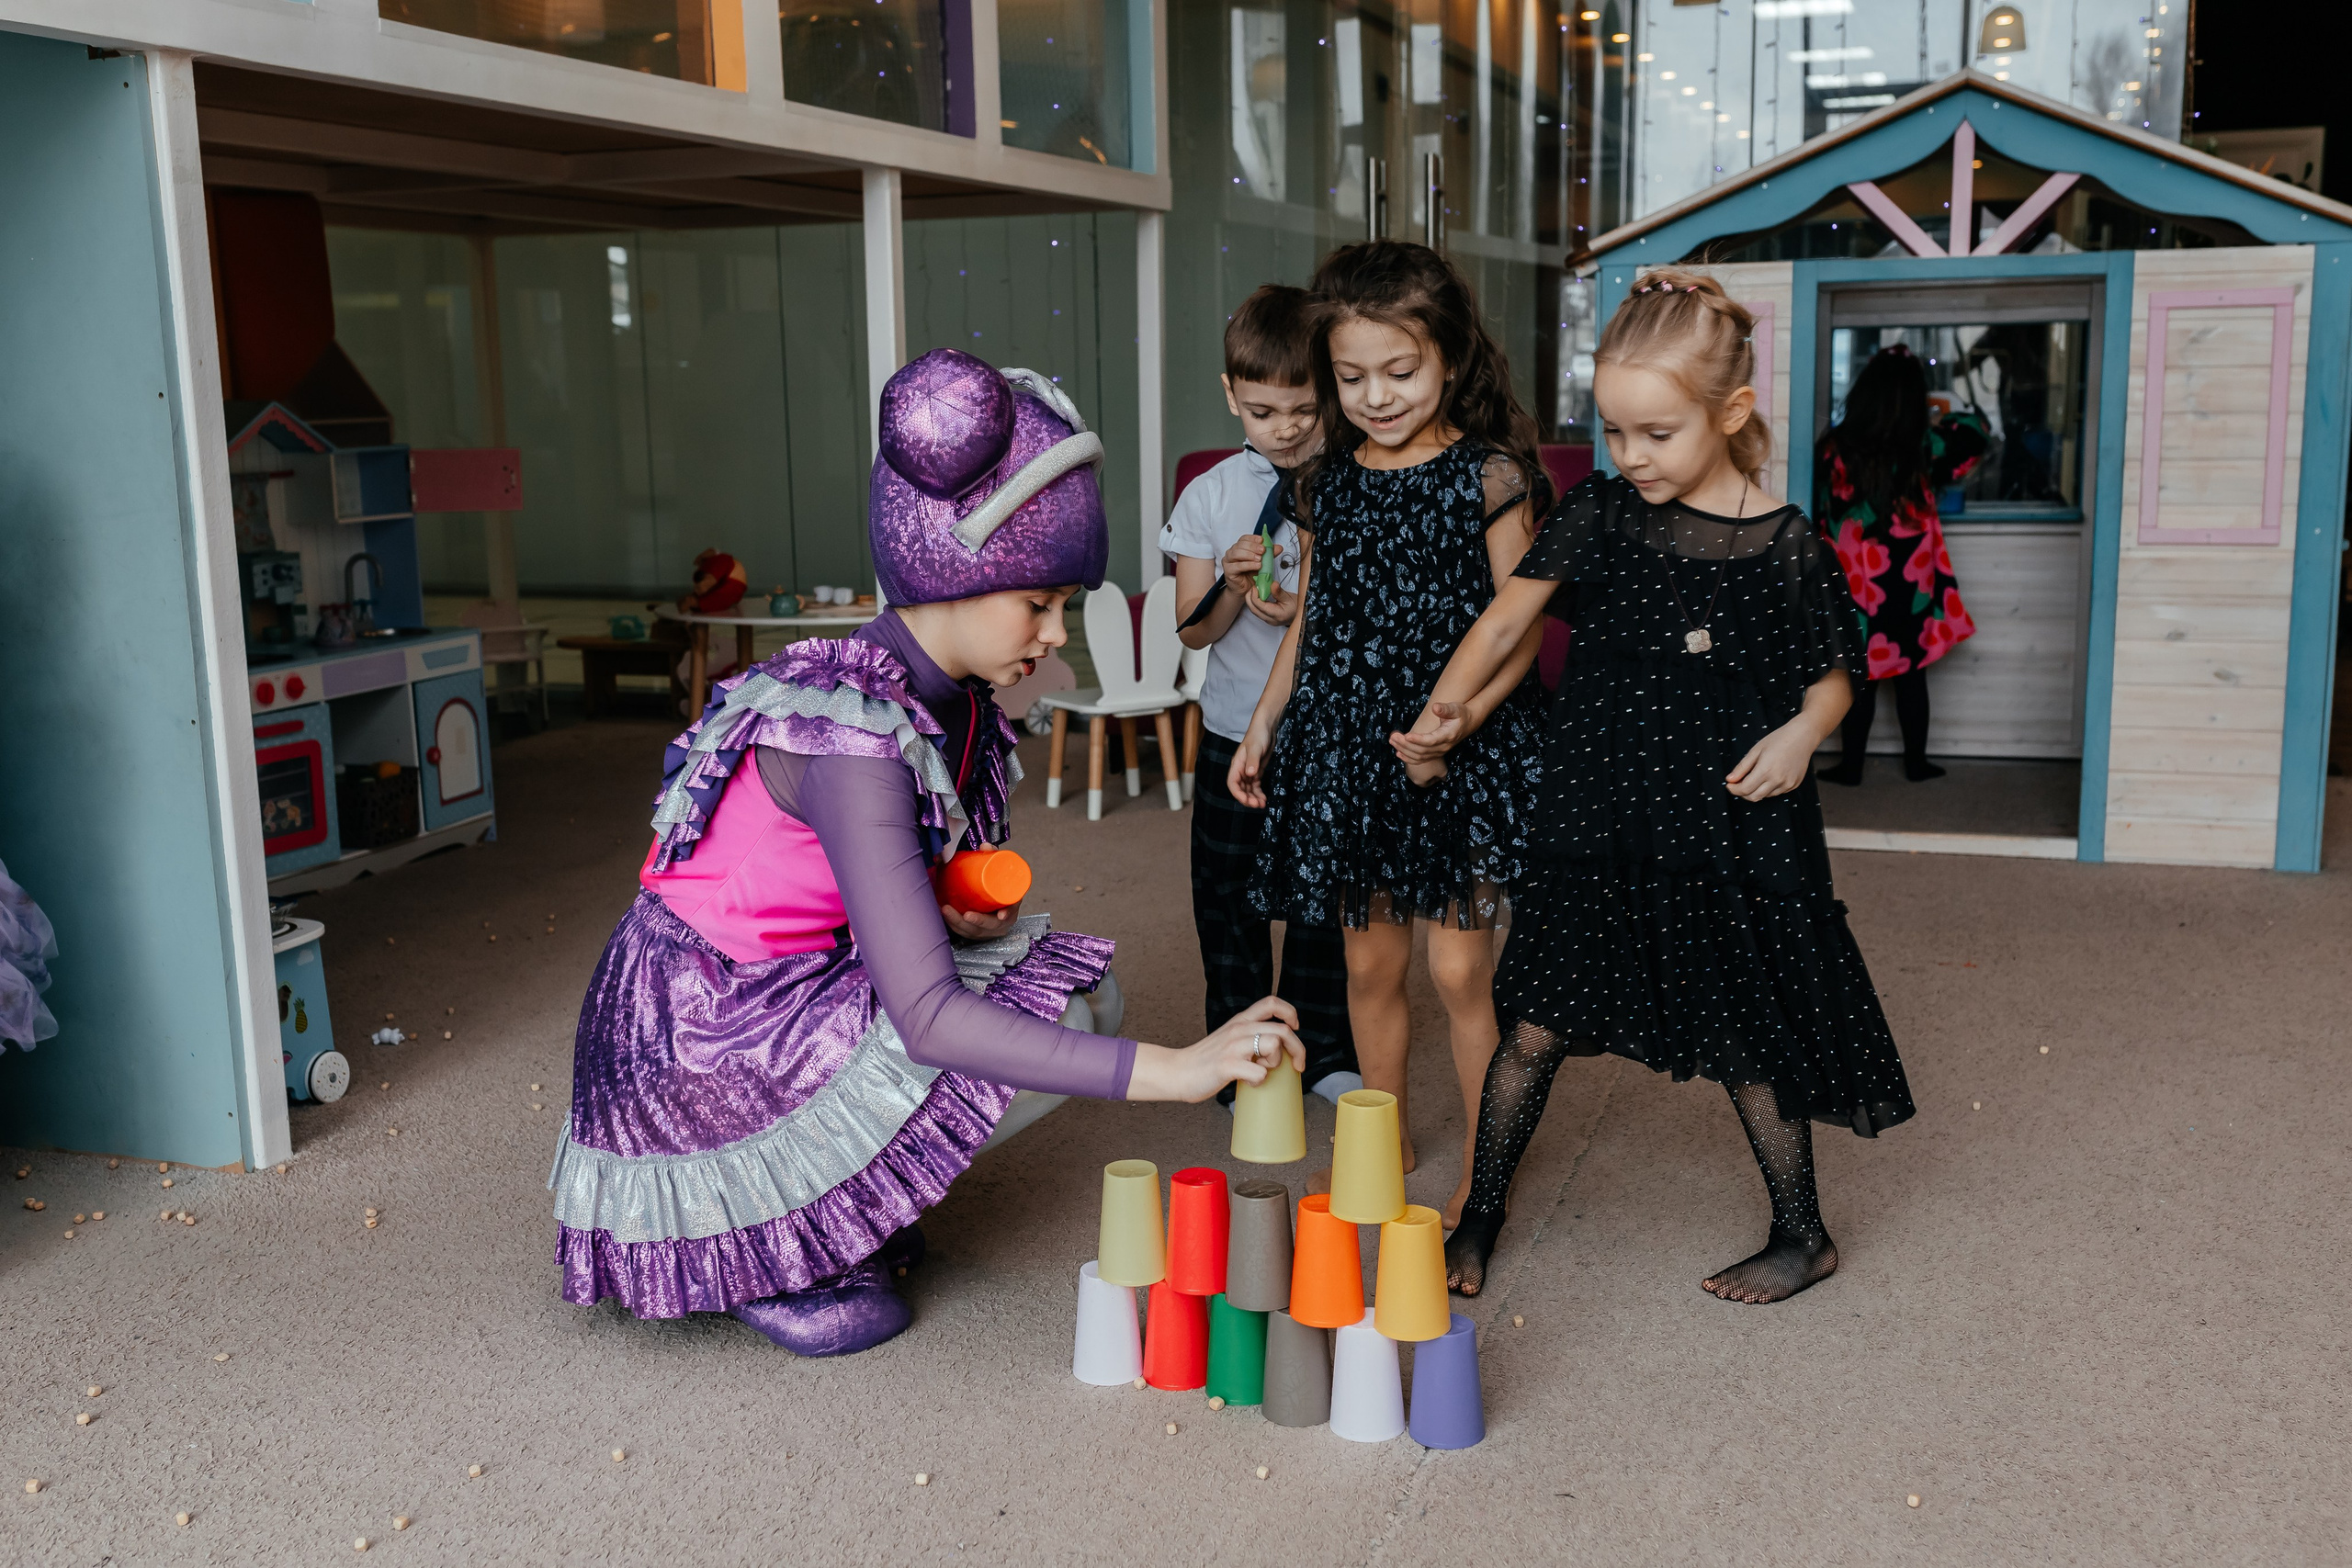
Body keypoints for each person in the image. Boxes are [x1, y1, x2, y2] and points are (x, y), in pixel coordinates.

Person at [550, 348, 1304, 1358]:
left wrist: (946, 907)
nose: (1053, 636)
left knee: (1079, 995)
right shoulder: (854, 736)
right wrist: (1179, 1070)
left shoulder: (948, 695)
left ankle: (838, 1198)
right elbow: (931, 1017)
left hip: (790, 974)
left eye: (1061, 607)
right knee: (998, 1025)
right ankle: (777, 1251)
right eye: (1035, 605)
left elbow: (859, 878)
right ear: (950, 570)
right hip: (698, 1030)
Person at [1392, 270, 1914, 1304]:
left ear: (1729, 414)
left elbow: (1833, 682)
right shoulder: (1600, 511)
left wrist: (1804, 735)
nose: (1629, 457)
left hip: (1722, 825)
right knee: (1533, 1023)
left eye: (1656, 433)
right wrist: (1442, 710)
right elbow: (1507, 620)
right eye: (1614, 432)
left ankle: (1802, 1232)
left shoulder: (1784, 546)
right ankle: (1480, 1213)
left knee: (1744, 1035)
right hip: (1599, 814)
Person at [1229, 241, 1548, 1227]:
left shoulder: (1490, 475)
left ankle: (1484, 1168)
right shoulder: (1328, 481)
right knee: (1367, 963)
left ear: (1447, 357)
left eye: (1399, 372)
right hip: (1342, 746)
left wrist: (1457, 725)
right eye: (1351, 375)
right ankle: (1385, 1134)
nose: (1374, 395)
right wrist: (1262, 723)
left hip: (1453, 750)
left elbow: (1520, 629)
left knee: (1456, 968)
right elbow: (1313, 621)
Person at [1162, 284, 1361, 1106]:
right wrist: (1237, 587)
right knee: (1228, 901)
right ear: (1229, 394)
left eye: (1303, 410)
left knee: (1322, 900)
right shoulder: (1210, 495)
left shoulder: (1355, 485)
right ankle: (1240, 1045)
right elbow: (1193, 631)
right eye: (1261, 410)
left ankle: (1321, 1042)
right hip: (1232, 729)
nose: (1283, 428)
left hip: (1326, 734)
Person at [1814, 344, 1988, 784]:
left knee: (1860, 676)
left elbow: (1820, 509)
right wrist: (1931, 413)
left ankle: (1851, 767)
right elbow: (1977, 431)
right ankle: (1916, 764)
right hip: (1910, 580)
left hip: (1854, 578)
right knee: (1912, 676)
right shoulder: (1923, 444)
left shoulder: (1835, 447)